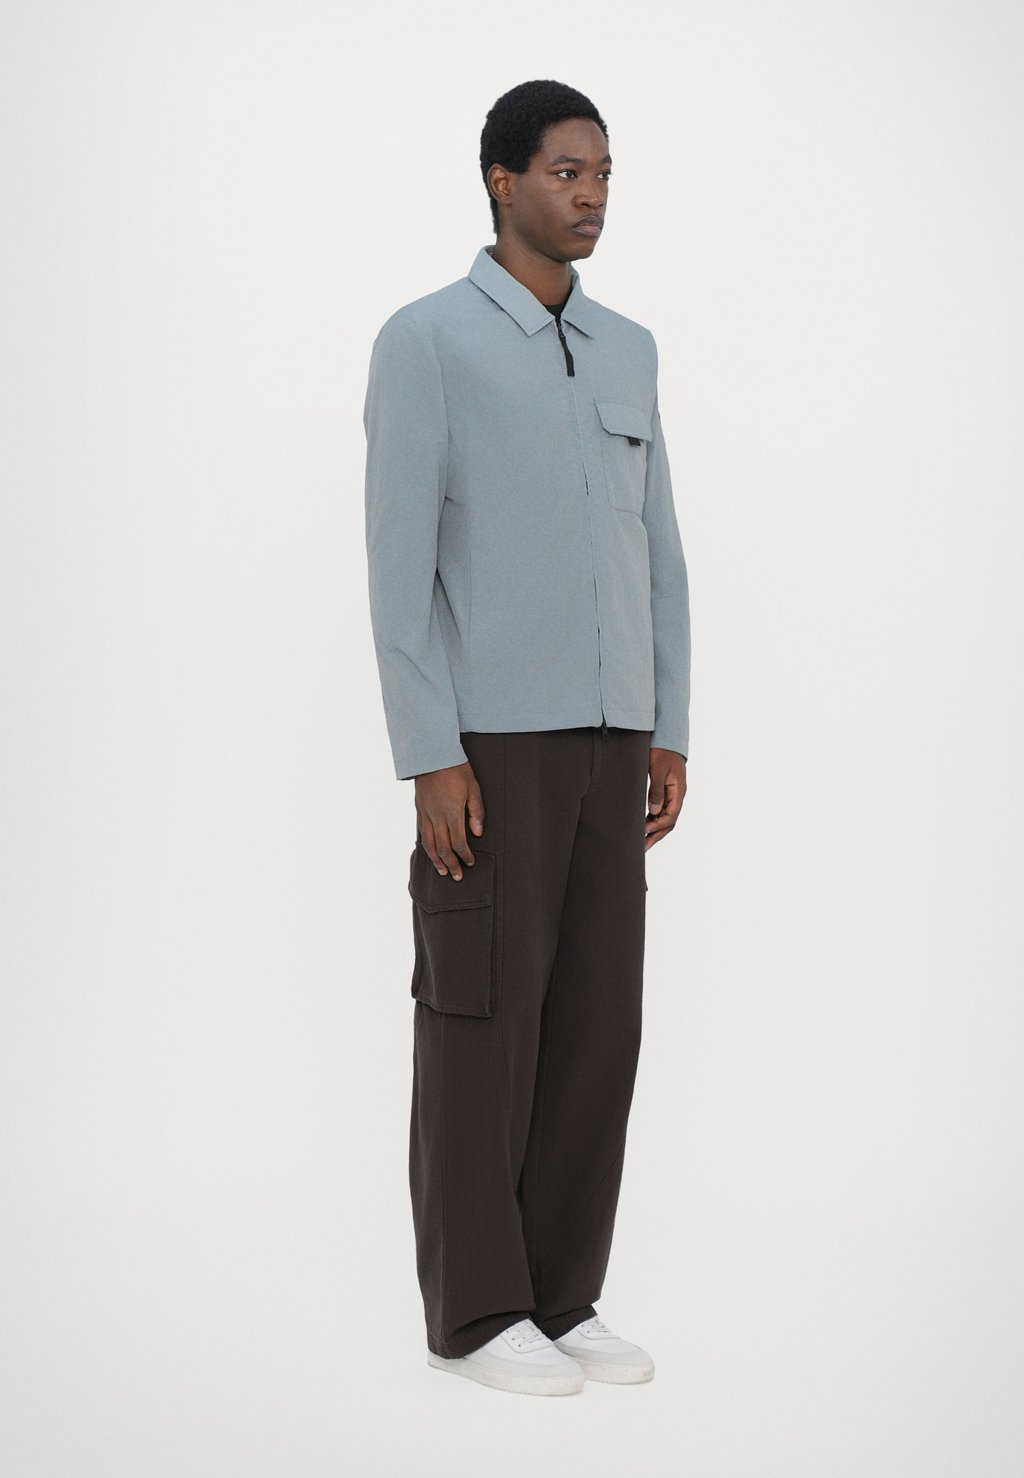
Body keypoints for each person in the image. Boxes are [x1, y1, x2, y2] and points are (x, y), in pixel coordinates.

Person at [363, 79, 691, 1396]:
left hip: (617, 745)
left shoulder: (628, 350)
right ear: (501, 180)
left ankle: (561, 1294)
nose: (591, 195)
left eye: (603, 173)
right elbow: (397, 567)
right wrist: (429, 750)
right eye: (566, 172)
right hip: (492, 748)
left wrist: (669, 724)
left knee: (598, 1024)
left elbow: (659, 550)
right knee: (480, 1021)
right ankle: (476, 1312)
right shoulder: (426, 342)